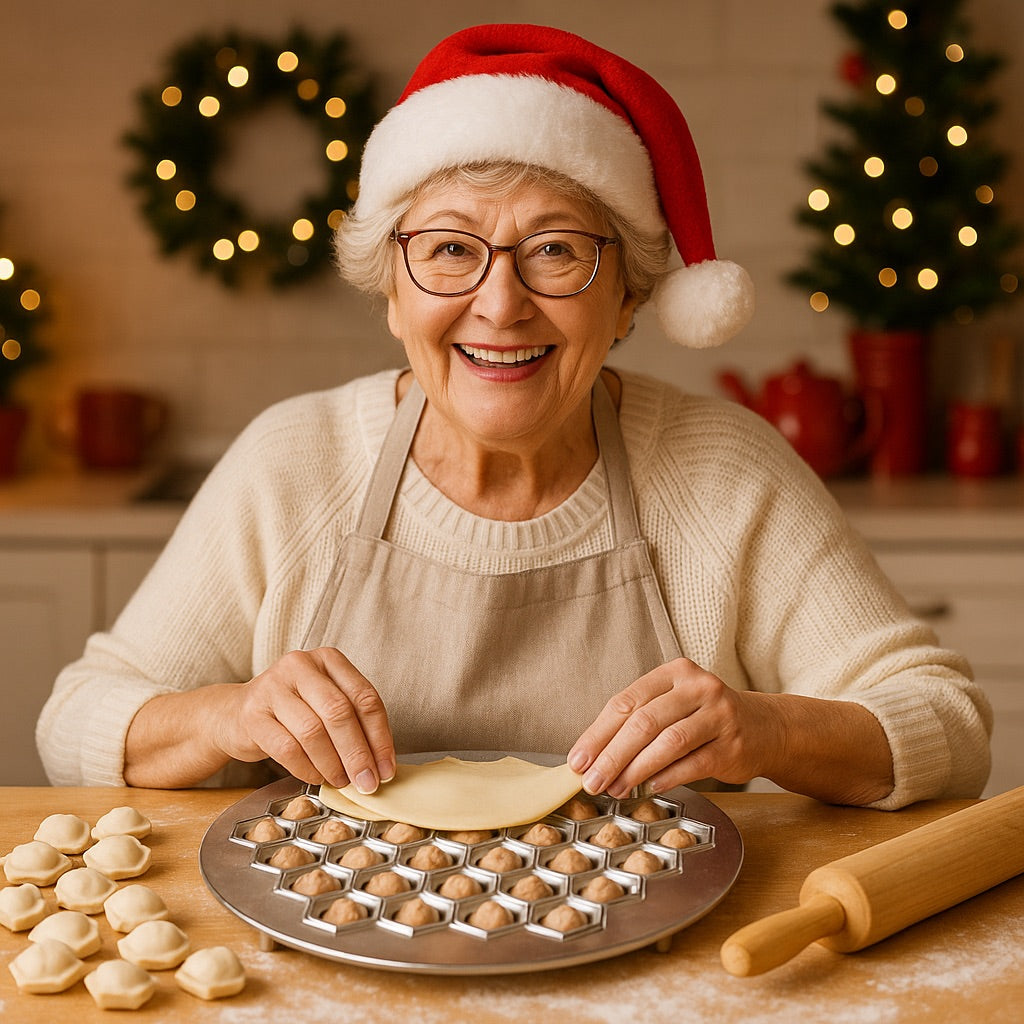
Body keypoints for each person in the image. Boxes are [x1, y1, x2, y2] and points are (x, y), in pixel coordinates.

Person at [38, 24, 990, 809]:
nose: (500, 306)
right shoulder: (294, 464)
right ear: (392, 291)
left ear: (626, 297)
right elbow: (76, 720)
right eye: (451, 250)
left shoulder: (724, 471)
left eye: (556, 250)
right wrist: (228, 716)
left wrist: (769, 728)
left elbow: (947, 723)